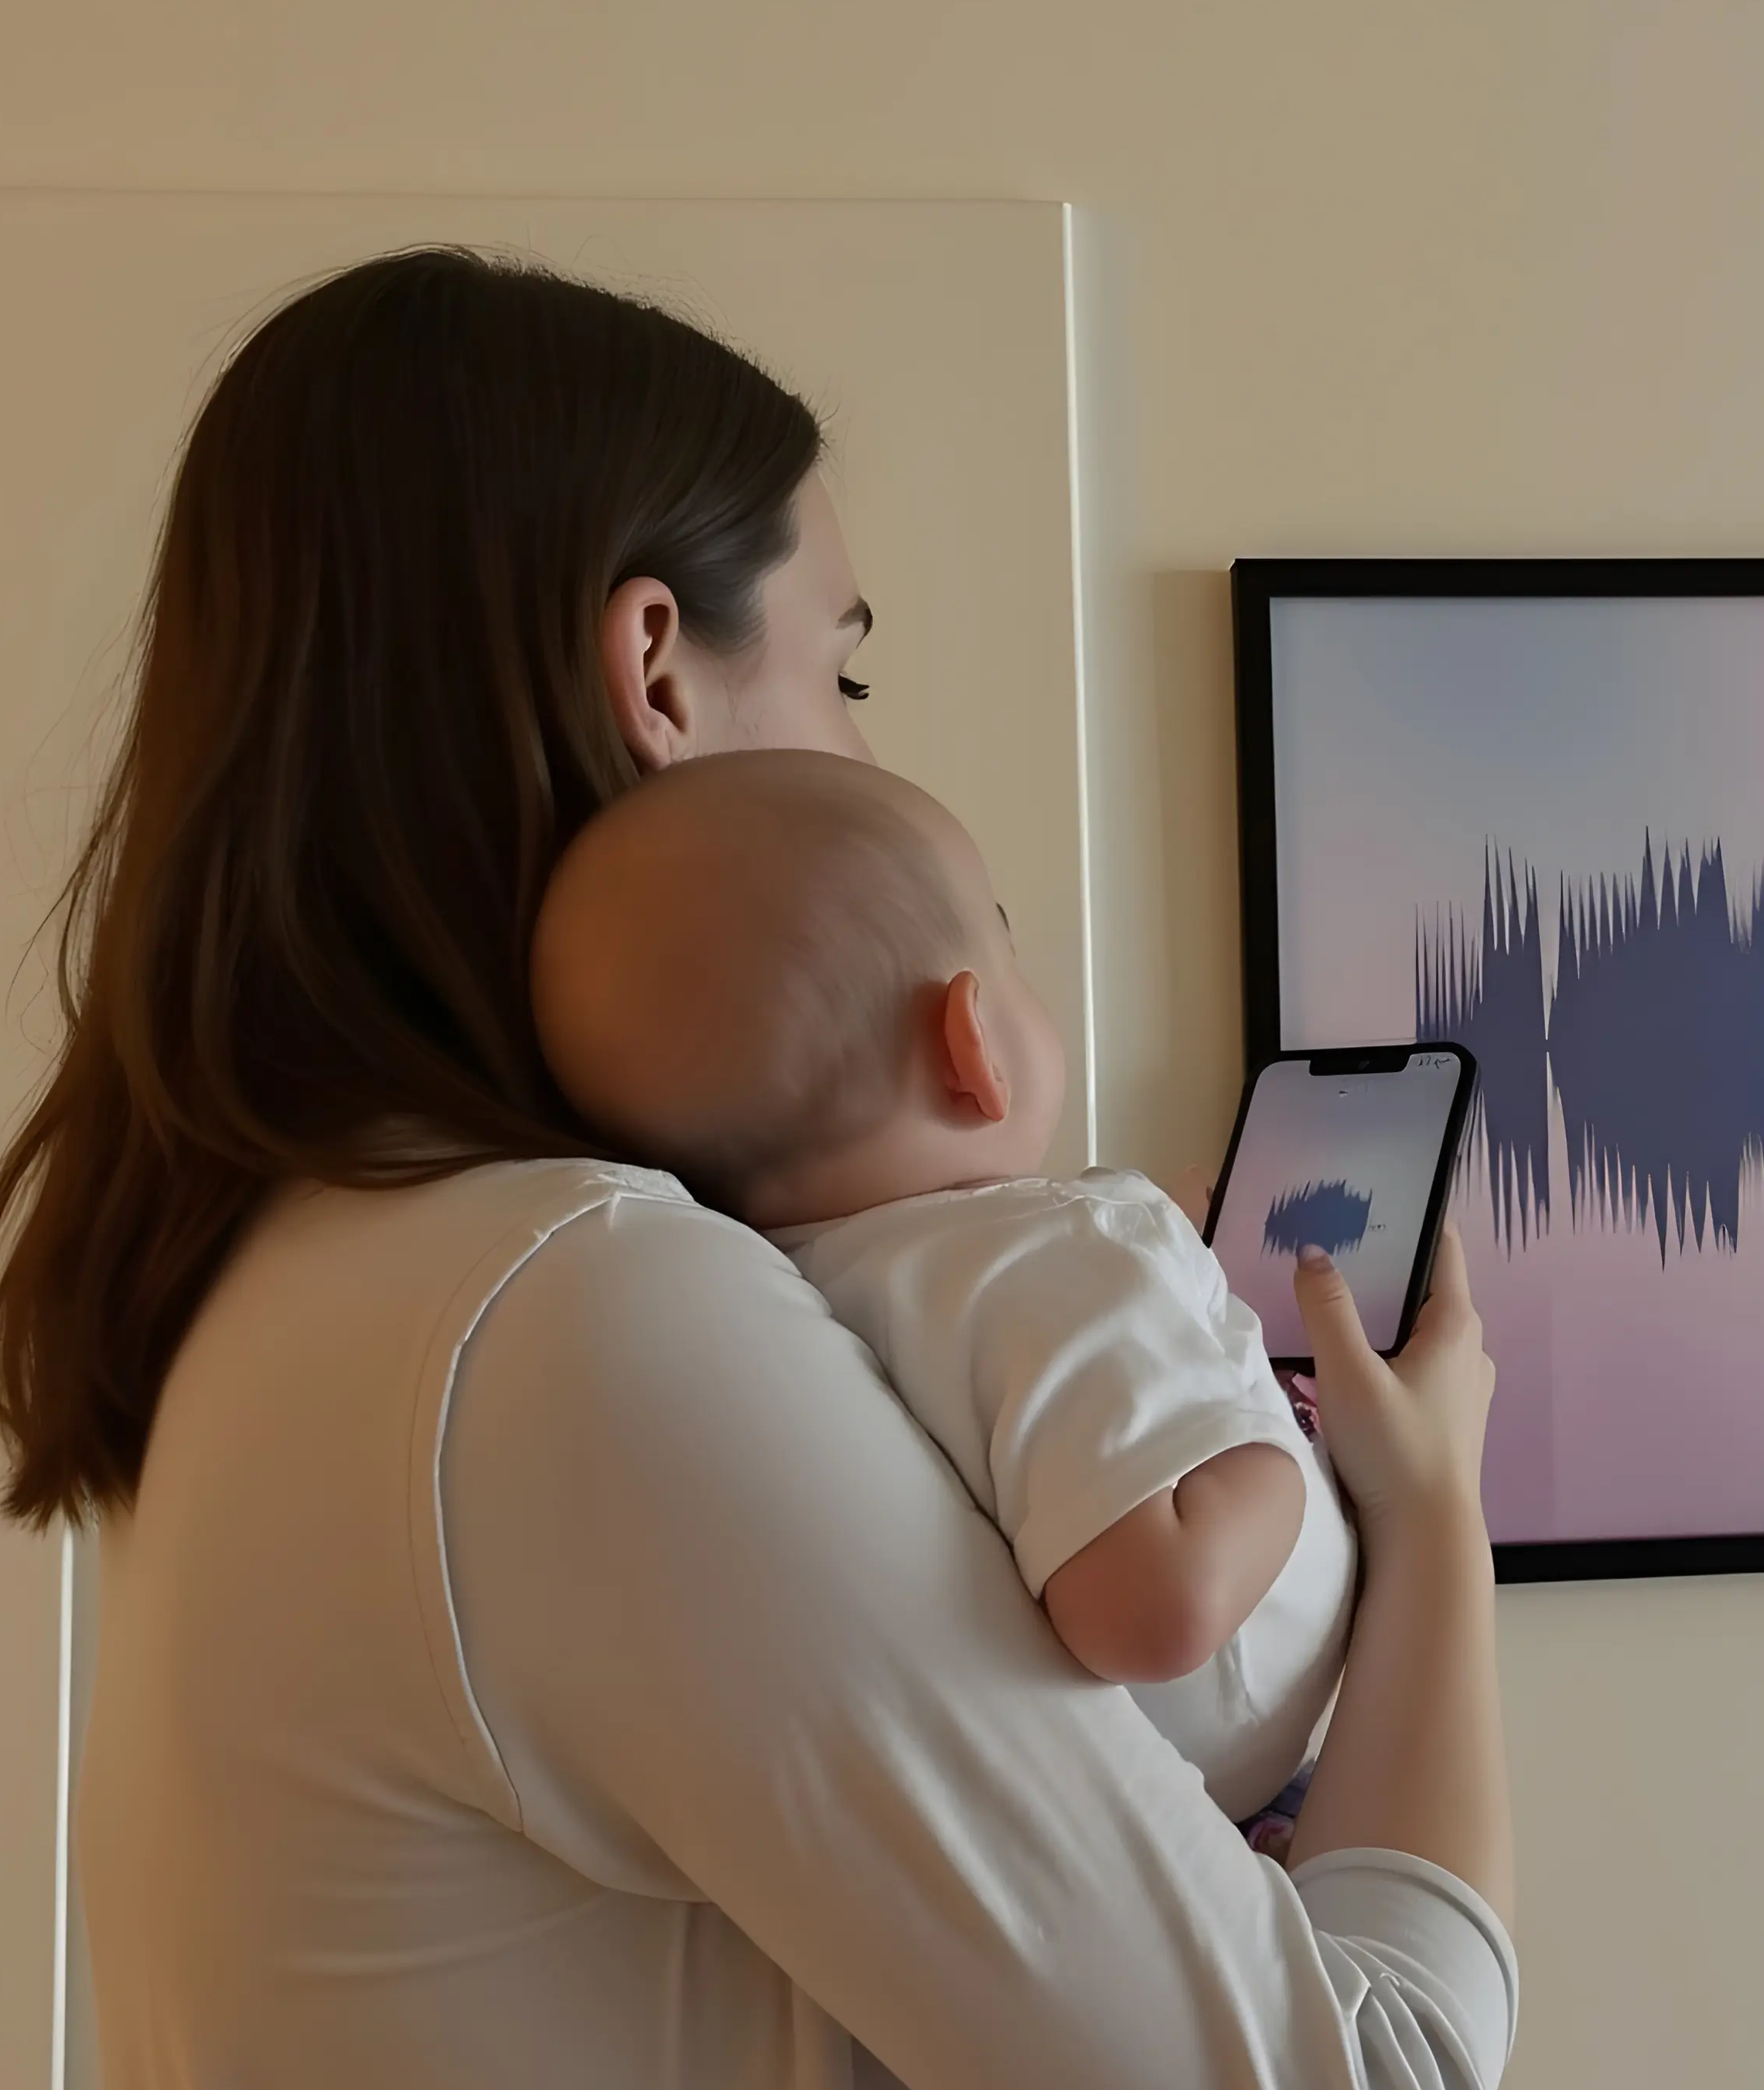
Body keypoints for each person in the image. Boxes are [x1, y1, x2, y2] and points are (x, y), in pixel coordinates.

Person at [0, 247, 1515, 2090]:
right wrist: (1432, 1519)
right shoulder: (579, 1327)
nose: (869, 751)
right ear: (654, 674)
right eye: (844, 667)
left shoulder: (307, 1292)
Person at [534, 749, 1358, 1846]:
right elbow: (1161, 1612)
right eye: (1008, 951)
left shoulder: (782, 1293)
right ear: (975, 1044)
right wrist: (1279, 1451)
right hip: (1242, 1821)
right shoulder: (1080, 1246)